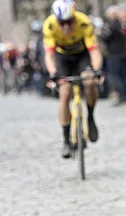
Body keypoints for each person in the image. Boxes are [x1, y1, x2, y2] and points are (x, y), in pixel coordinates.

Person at [43, 0, 103, 158]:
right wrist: (53, 73)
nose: (66, 27)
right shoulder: (49, 25)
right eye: (61, 23)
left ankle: (90, 117)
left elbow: (94, 52)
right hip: (63, 58)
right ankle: (66, 140)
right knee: (65, 93)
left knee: (89, 82)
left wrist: (97, 70)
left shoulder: (84, 22)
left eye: (69, 22)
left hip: (82, 56)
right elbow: (49, 55)